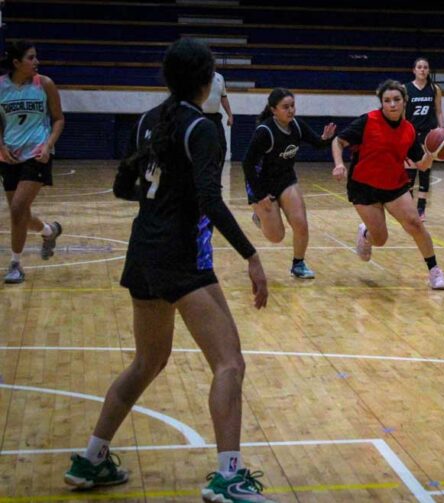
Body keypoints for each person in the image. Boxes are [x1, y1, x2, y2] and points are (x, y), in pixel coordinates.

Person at [65, 39, 274, 502]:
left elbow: (127, 185)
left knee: (149, 361)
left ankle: (91, 459)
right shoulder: (203, 129)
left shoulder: (147, 120)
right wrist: (251, 255)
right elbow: (209, 200)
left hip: (142, 252)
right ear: (207, 81)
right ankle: (229, 477)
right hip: (181, 257)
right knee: (230, 363)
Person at [331, 79, 444, 290]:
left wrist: (434, 153)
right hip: (364, 186)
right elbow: (337, 141)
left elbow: (421, 164)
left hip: (394, 185)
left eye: (396, 100)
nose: (392, 104)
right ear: (381, 103)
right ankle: (366, 233)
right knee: (381, 238)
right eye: (387, 101)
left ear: (405, 102)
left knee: (415, 224)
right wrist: (339, 164)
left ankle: (434, 271)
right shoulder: (367, 121)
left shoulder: (409, 130)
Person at [243, 88, 335, 279]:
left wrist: (326, 139)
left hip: (285, 180)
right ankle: (259, 216)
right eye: (285, 107)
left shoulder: (297, 126)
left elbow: (317, 143)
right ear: (274, 110)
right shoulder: (265, 131)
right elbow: (247, 165)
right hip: (261, 183)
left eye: (292, 105)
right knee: (276, 236)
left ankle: (298, 264)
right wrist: (259, 195)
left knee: (301, 224)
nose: (291, 110)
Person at [0, 40, 64, 284]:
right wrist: (2, 147)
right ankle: (50, 231)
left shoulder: (45, 84)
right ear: (16, 63)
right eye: (30, 58)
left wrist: (48, 145)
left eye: (35, 57)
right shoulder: (1, 87)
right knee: (21, 213)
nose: (36, 62)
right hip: (8, 155)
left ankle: (15, 265)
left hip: (37, 153)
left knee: (17, 208)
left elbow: (58, 119)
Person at [404, 57, 444, 221]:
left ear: (428, 71)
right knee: (410, 172)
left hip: (429, 135)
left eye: (425, 67)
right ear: (413, 70)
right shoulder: (405, 89)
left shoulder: (434, 89)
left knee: (425, 171)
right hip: (411, 134)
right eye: (419, 67)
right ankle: (408, 208)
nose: (422, 70)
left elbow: (439, 111)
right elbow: (401, 113)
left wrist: (442, 130)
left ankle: (421, 208)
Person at [202, 71, 233, 154]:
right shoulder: (196, 75)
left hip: (215, 118)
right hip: (200, 116)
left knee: (222, 146)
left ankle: (217, 167)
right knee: (202, 146)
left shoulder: (220, 77)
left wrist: (230, 115)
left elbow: (224, 98)